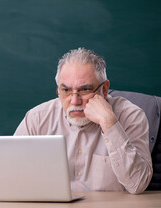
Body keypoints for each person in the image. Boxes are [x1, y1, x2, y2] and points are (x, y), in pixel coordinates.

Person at [14, 48, 153, 194]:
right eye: (66, 90)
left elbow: (137, 185)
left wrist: (110, 124)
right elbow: (10, 175)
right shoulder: (37, 119)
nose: (74, 101)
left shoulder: (131, 116)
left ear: (104, 89)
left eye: (85, 89)